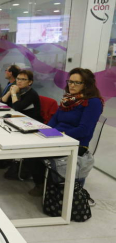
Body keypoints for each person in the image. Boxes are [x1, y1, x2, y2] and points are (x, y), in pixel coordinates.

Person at [28, 68, 104, 196]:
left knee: (35, 153)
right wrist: (47, 132)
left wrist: (59, 135)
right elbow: (55, 119)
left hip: (76, 143)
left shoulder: (93, 102)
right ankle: (41, 184)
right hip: (58, 137)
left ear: (86, 85)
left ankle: (47, 186)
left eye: (77, 83)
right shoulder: (68, 100)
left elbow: (84, 130)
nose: (71, 85)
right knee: (29, 148)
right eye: (70, 81)